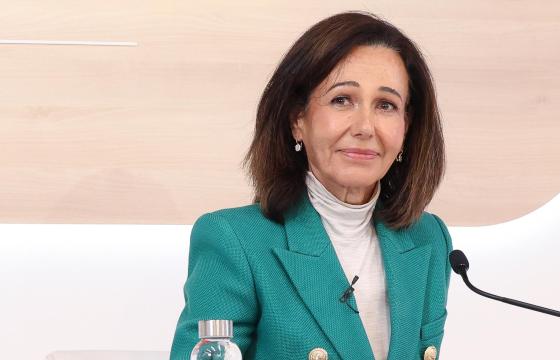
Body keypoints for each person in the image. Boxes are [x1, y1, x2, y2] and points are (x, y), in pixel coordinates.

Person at [170, 11, 452, 360]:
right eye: (342, 100)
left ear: (406, 128)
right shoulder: (235, 241)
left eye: (386, 105)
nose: (365, 127)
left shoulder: (429, 238)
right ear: (297, 120)